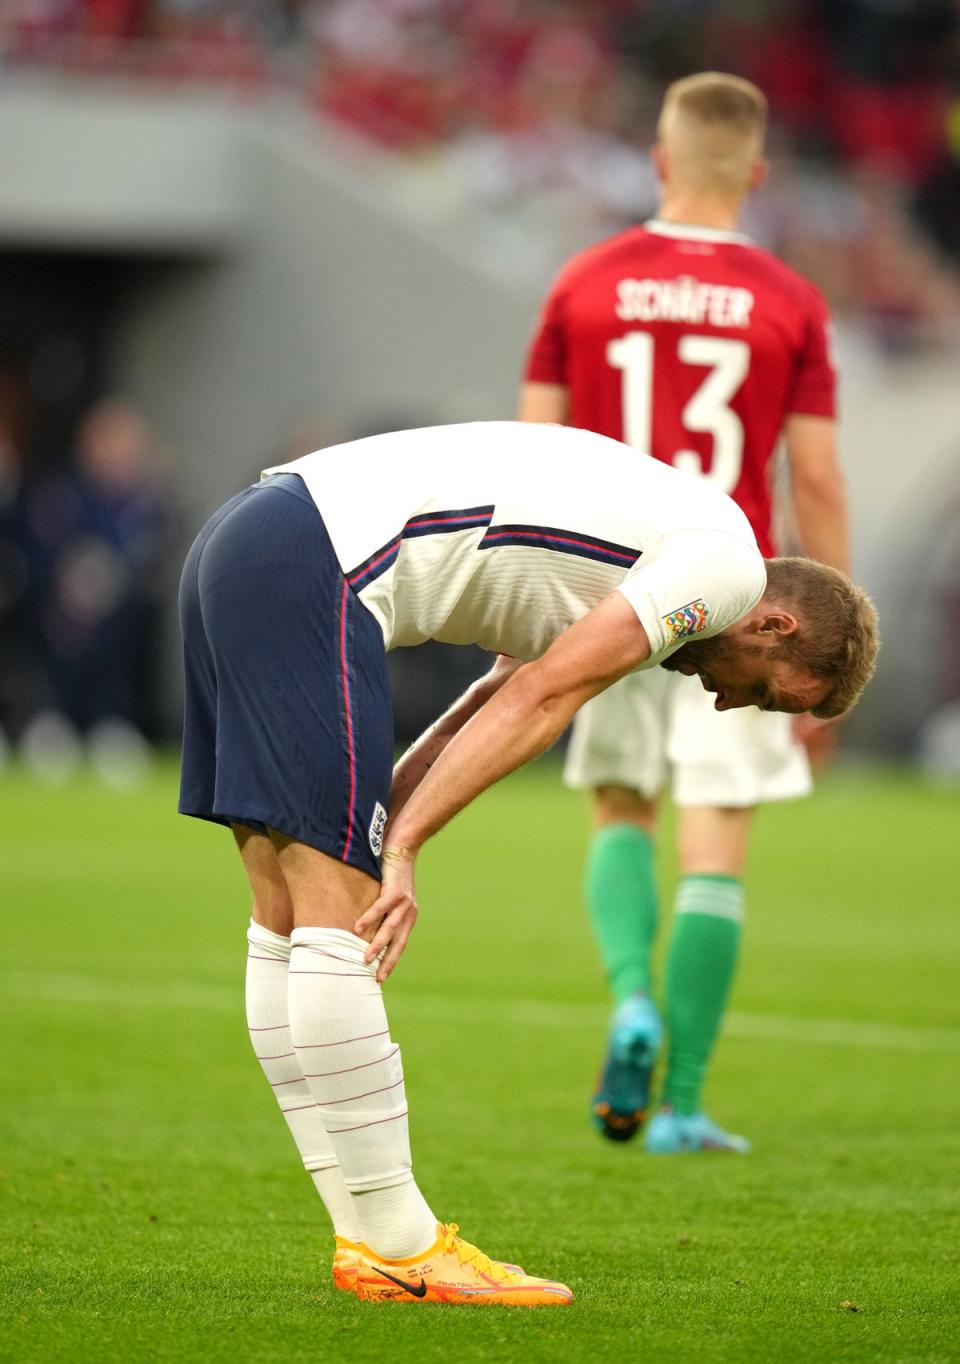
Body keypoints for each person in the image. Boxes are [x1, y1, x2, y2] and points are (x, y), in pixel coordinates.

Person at [177, 420, 877, 1306]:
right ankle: (401, 1245)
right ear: (773, 622)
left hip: (250, 535)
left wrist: (388, 809)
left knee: (283, 914)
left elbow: (497, 695)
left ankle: (367, 1237)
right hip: (316, 565)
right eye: (767, 691)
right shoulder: (726, 571)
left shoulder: (657, 546)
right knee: (339, 916)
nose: (730, 701)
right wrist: (401, 845)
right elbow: (546, 699)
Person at [519, 72, 849, 1154]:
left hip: (612, 587)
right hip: (739, 602)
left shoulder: (584, 280)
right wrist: (831, 646)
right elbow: (821, 480)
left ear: (659, 162)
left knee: (620, 805)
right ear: (754, 173)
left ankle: (629, 999)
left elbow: (539, 456)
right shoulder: (790, 301)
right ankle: (684, 1104)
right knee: (715, 847)